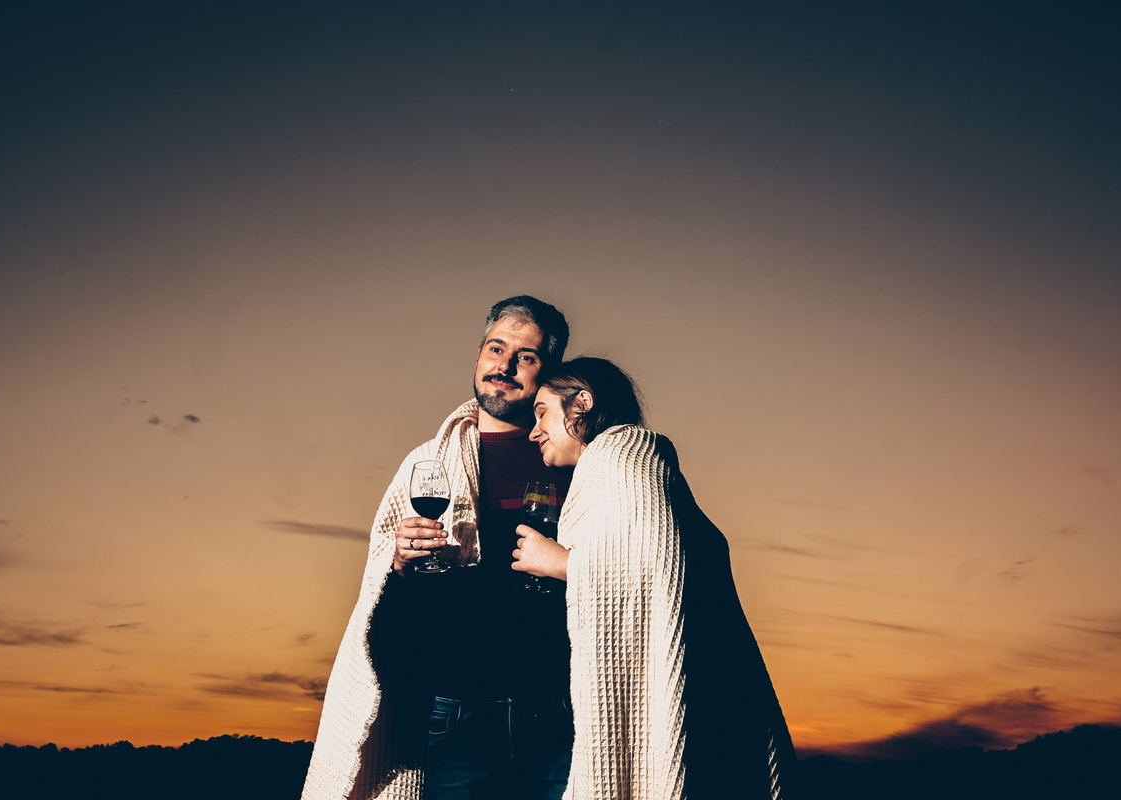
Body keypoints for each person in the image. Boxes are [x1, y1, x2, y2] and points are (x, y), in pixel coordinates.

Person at [301, 296, 576, 800]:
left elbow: (629, 557)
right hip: (458, 709)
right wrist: (399, 561)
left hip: (563, 710)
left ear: (550, 371)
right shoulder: (428, 462)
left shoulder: (573, 458)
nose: (505, 365)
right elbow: (380, 598)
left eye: (527, 356)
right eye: (496, 348)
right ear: (478, 356)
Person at [514, 356, 797, 799]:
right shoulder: (618, 467)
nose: (534, 431)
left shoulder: (623, 458)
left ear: (581, 404)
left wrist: (561, 563)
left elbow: (662, 564)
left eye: (542, 412)